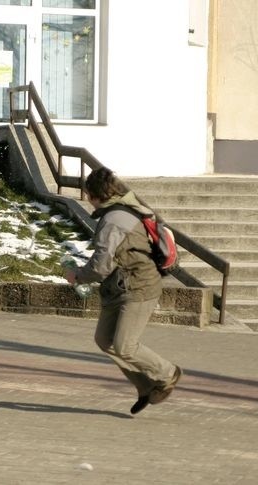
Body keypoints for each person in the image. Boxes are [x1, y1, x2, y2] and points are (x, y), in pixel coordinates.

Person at [64, 166, 181, 415]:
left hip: (139, 286)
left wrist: (77, 276)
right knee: (104, 340)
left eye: (87, 194)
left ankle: (167, 372)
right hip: (119, 287)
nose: (87, 199)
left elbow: (101, 264)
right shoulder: (118, 212)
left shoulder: (115, 220)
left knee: (125, 345)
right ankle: (146, 386)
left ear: (94, 194)